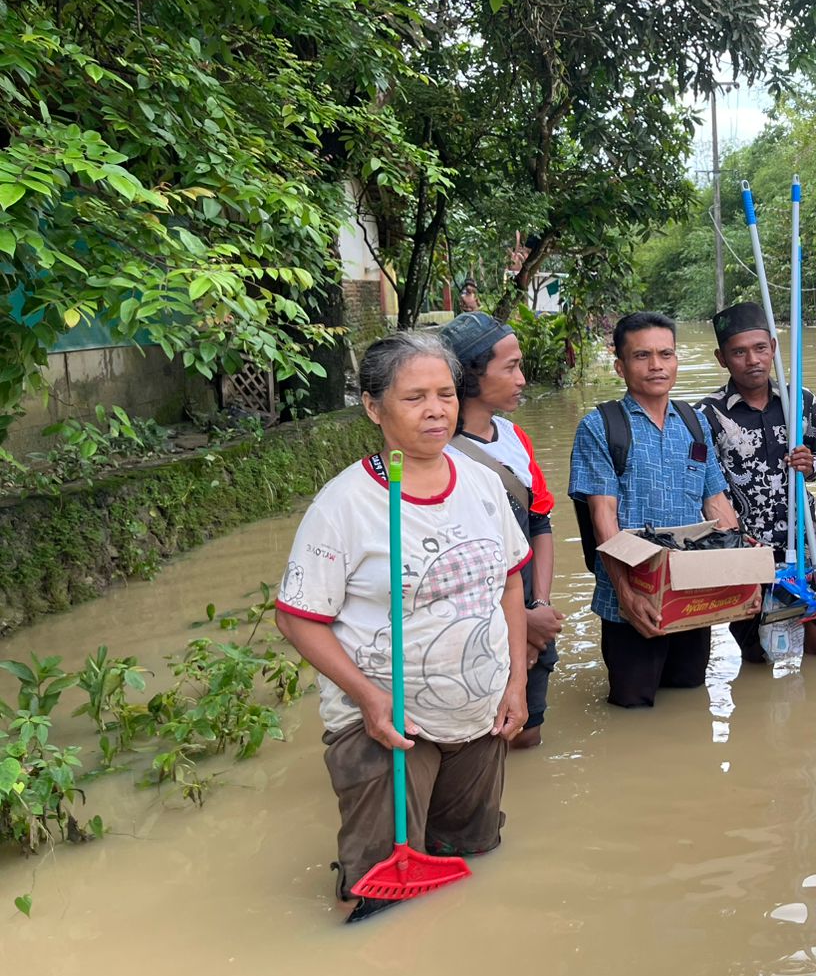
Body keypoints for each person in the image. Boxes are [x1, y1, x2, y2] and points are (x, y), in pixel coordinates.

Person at [274, 333, 531, 922]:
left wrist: (516, 682)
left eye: (445, 393)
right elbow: (295, 616)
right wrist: (368, 696)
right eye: (414, 397)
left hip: (480, 712)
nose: (436, 409)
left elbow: (511, 583)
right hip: (387, 722)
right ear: (373, 406)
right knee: (375, 897)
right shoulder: (345, 505)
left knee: (474, 857)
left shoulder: (482, 482)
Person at [569, 311, 744, 708]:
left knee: (690, 701)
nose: (656, 366)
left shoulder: (694, 422)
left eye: (666, 354)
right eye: (642, 356)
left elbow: (717, 504)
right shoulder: (600, 426)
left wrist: (741, 577)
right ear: (620, 366)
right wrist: (628, 596)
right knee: (632, 707)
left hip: (690, 593)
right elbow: (603, 518)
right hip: (631, 599)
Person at [439, 312, 564, 749]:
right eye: (510, 367)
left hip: (527, 605)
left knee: (526, 735)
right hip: (478, 623)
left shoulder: (515, 438)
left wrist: (539, 608)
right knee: (476, 743)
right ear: (471, 375)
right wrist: (518, 624)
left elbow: (540, 523)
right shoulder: (436, 456)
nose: (522, 379)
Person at [699, 301, 816, 663]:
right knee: (757, 654)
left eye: (761, 348)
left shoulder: (801, 402)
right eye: (739, 352)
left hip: (805, 545)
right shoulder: (706, 414)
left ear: (774, 348)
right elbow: (703, 487)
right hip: (745, 553)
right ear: (722, 358)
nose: (753, 360)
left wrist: (811, 464)